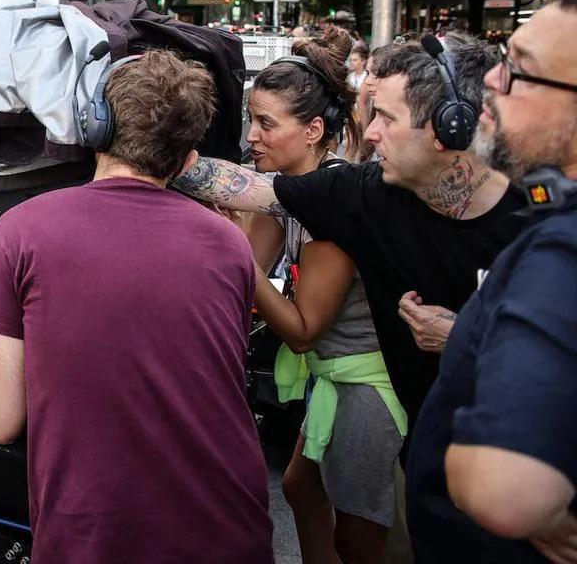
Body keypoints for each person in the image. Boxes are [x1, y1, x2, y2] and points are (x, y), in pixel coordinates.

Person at [172, 32, 525, 557]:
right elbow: (251, 188)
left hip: (519, 464)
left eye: (386, 116)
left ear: (450, 126)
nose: (370, 134)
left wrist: (464, 336)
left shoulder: (538, 219)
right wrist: (154, 151)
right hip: (427, 452)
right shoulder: (366, 194)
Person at [0, 50, 273, 563]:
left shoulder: (22, 230)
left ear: (94, 127)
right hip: (230, 532)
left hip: (97, 537)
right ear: (187, 159)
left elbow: (0, 419)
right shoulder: (229, 243)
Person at [406, 0, 577, 563]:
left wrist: (456, 445)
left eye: (522, 72)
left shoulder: (562, 248)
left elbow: (504, 493)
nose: (494, 84)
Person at [241, 40, 404, 564]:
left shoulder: (332, 205)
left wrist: (234, 257)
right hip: (330, 375)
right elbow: (247, 266)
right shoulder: (283, 190)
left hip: (368, 384)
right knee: (302, 491)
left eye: (266, 124)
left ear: (313, 131)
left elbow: (302, 327)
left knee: (358, 534)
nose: (251, 136)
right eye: (251, 120)